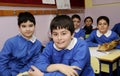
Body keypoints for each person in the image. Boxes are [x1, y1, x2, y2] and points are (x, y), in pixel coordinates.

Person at [28, 15, 95, 76]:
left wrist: (42, 75)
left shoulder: (81, 46)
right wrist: (58, 66)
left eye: (63, 33)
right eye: (55, 34)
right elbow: (37, 64)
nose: (59, 38)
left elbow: (72, 74)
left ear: (72, 34)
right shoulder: (50, 45)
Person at [0, 12, 42, 76]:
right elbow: (2, 62)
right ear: (19, 27)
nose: (28, 29)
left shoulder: (38, 44)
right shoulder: (11, 42)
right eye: (24, 26)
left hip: (25, 72)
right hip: (8, 72)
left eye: (30, 25)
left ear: (35, 26)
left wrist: (21, 73)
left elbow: (33, 62)